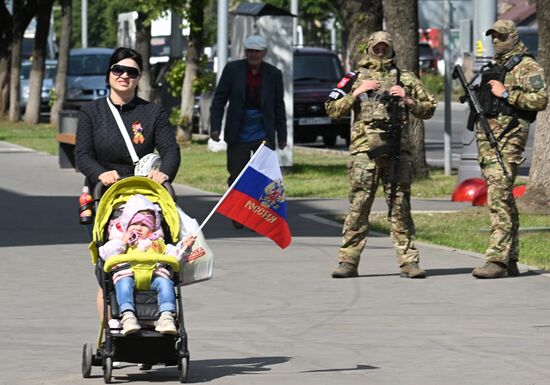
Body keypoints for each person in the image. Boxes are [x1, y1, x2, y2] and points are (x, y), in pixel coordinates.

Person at [325, 31, 437, 279]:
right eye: (376, 46)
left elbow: (429, 107)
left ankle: (409, 262)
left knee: (400, 209)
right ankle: (348, 261)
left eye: (385, 47)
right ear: (369, 47)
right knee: (358, 209)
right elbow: (331, 109)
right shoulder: (353, 77)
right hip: (365, 155)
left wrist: (407, 99)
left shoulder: (405, 77)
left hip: (397, 153)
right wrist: (356, 92)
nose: (381, 51)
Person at [470, 20, 547, 279]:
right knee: (502, 196)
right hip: (490, 139)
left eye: (502, 36)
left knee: (498, 195)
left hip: (510, 136)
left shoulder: (527, 66)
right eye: (494, 37)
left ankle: (496, 260)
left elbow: (540, 99)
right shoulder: (496, 67)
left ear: (513, 36)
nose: (497, 41)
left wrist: (506, 95)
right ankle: (511, 257)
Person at [75, 47, 181, 191]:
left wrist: (164, 173)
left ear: (138, 78)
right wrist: (100, 173)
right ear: (109, 73)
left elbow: (170, 150)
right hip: (104, 189)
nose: (124, 76)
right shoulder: (91, 111)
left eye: (132, 72)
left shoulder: (154, 112)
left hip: (143, 188)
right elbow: (83, 154)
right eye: (118, 69)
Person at [209, 34, 287, 229]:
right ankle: (239, 212)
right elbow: (219, 100)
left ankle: (258, 213)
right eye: (250, 51)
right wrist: (215, 127)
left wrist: (282, 135)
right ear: (245, 52)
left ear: (264, 53)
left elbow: (279, 106)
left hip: (263, 131)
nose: (253, 54)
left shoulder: (273, 74)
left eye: (257, 51)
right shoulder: (233, 70)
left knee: (262, 178)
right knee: (236, 175)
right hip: (238, 131)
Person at [99, 194, 196, 335]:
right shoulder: (120, 240)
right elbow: (105, 254)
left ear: (152, 228)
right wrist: (122, 242)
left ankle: (166, 316)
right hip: (128, 274)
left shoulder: (158, 243)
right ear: (127, 225)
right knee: (123, 285)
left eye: (144, 225)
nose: (138, 228)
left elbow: (175, 255)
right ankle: (127, 316)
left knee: (166, 284)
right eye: (134, 224)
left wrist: (184, 246)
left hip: (154, 276)